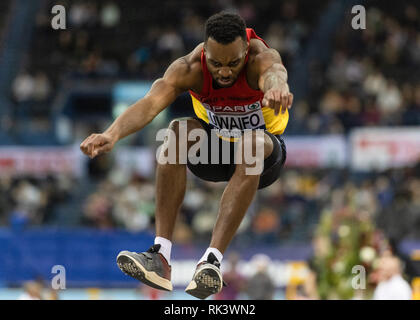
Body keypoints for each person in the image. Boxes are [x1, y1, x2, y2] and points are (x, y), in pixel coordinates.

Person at [80, 11, 293, 299]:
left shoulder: (261, 59)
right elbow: (151, 102)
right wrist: (112, 133)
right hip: (216, 153)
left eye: (234, 63)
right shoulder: (189, 68)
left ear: (246, 50)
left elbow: (275, 73)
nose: (226, 72)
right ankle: (160, 256)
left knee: (251, 141)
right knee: (178, 130)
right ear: (205, 52)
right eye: (217, 64)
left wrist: (277, 87)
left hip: (263, 156)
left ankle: (211, 262)